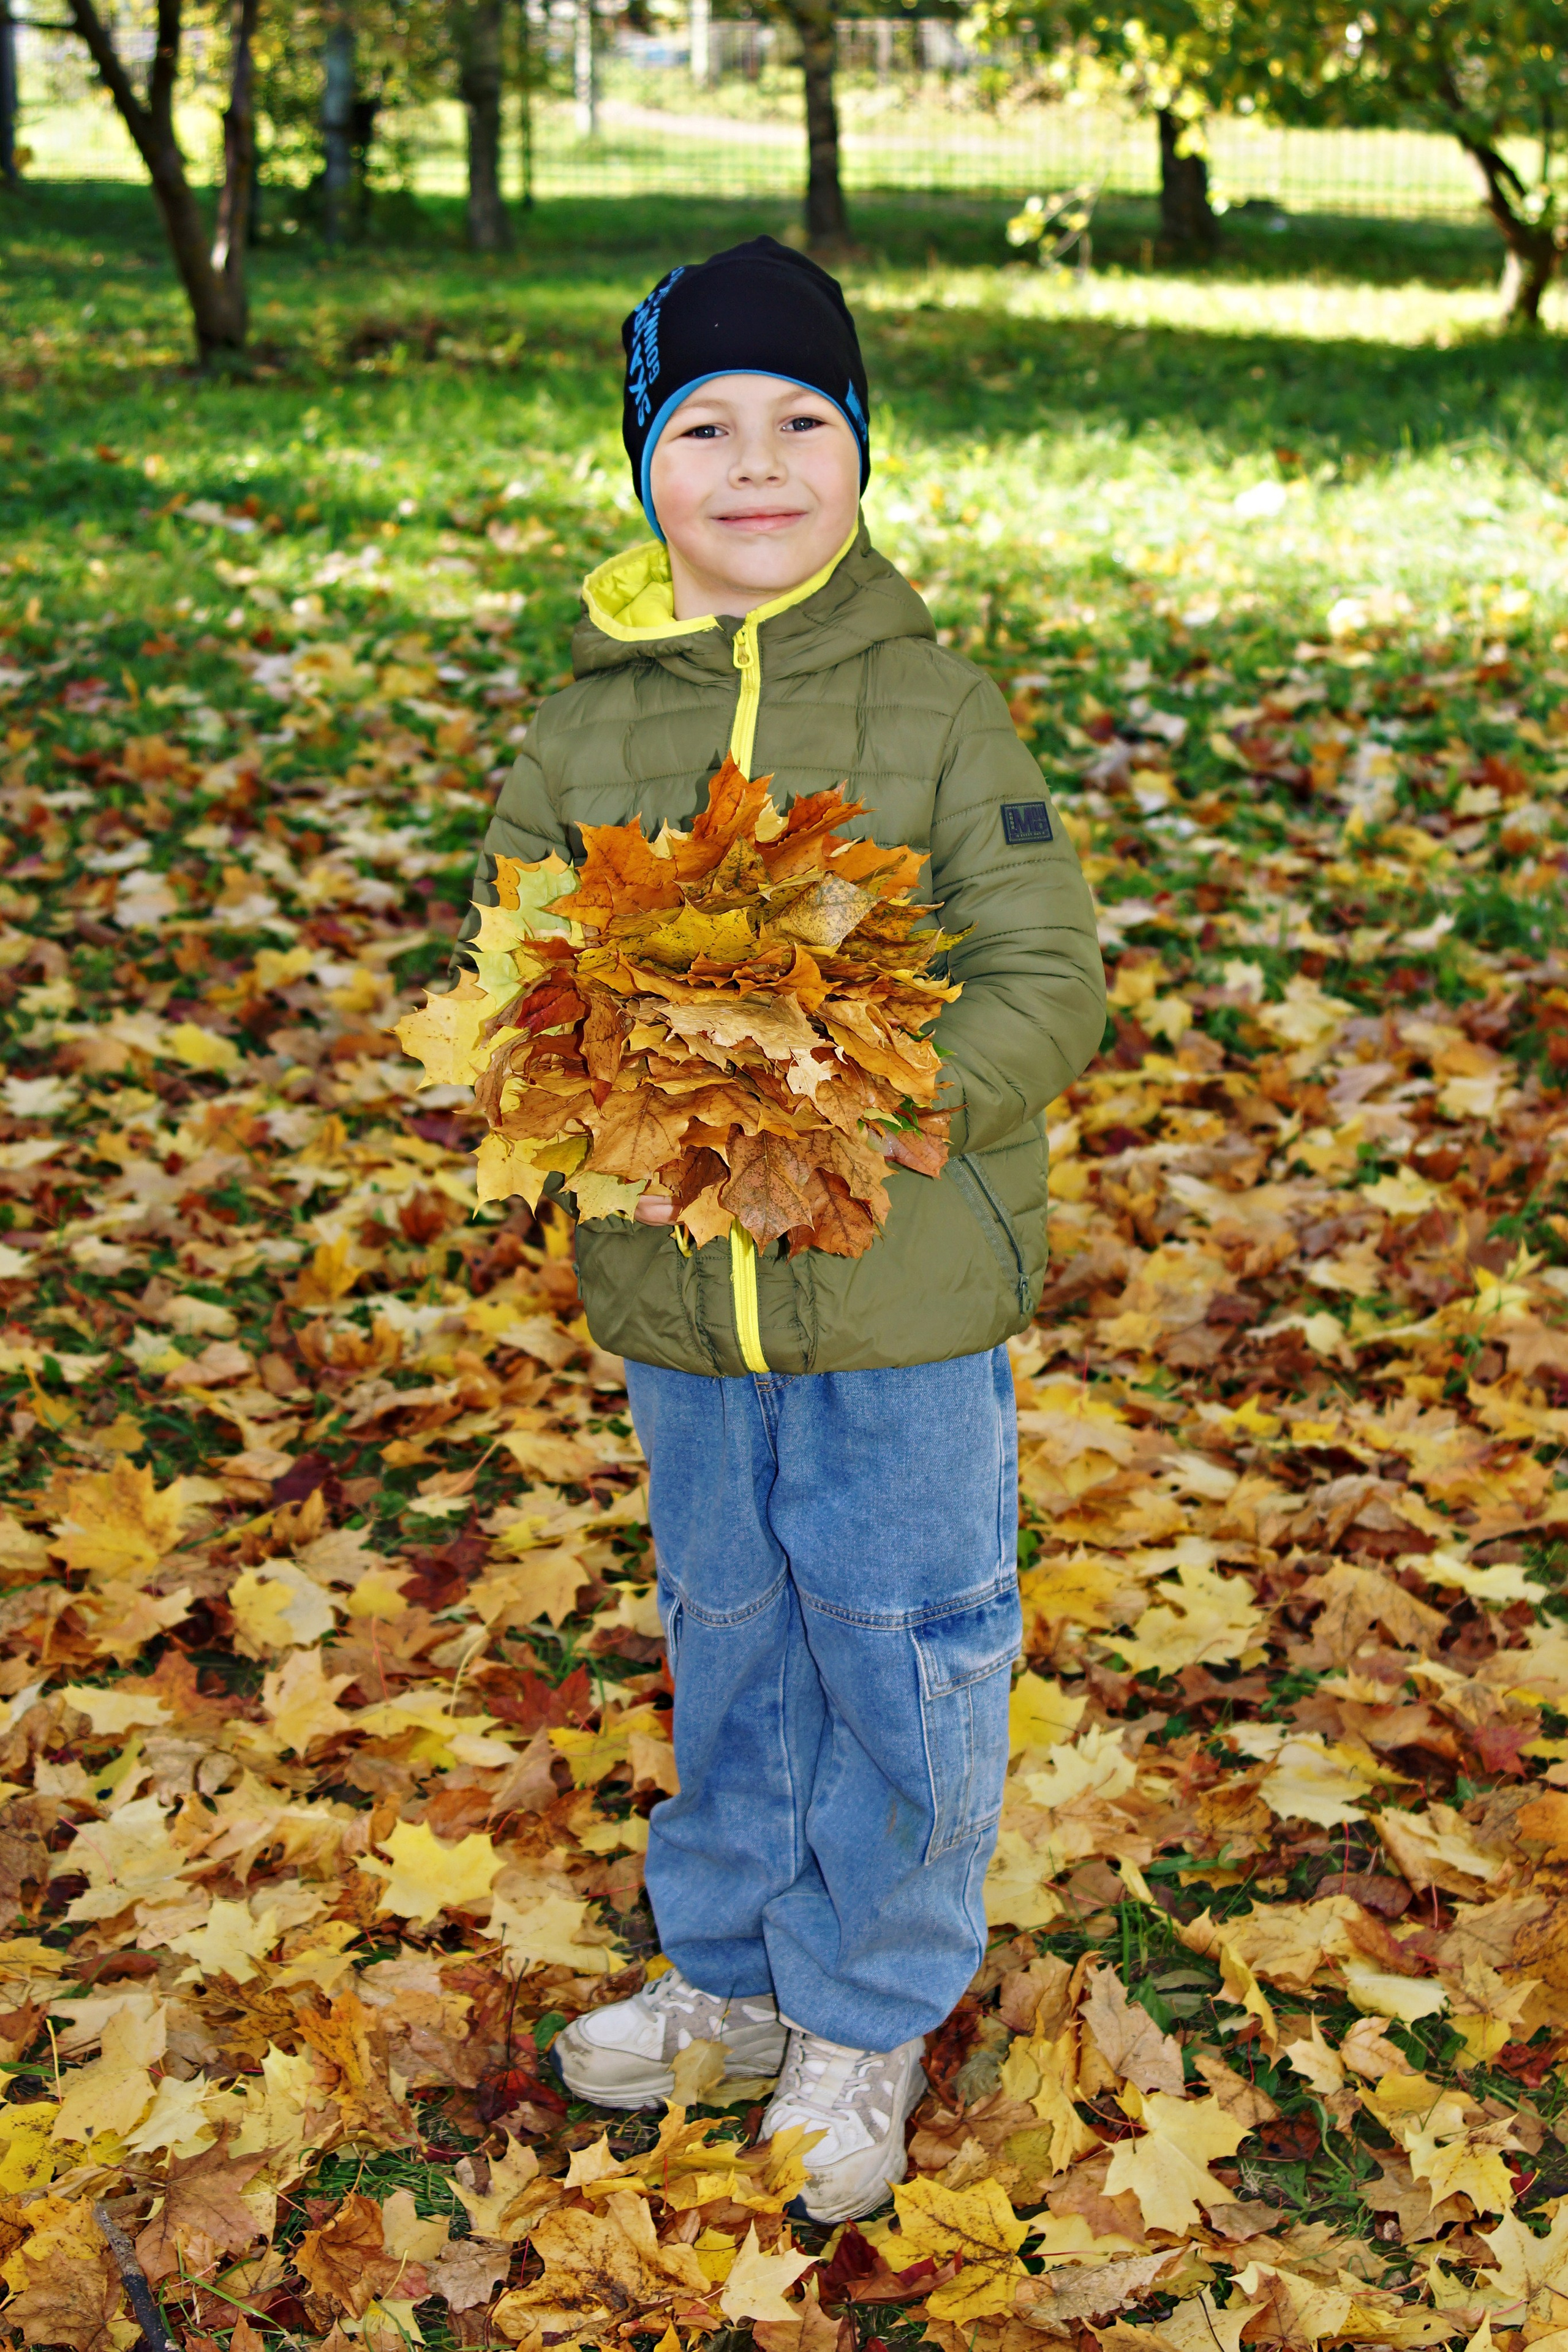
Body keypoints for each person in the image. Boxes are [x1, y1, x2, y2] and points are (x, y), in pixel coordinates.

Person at [466, 237, 1106, 2222]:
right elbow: (514, 988)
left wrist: (892, 1096)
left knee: (907, 1647)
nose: (758, 465)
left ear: (861, 456)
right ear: (645, 466)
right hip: (683, 1299)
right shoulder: (583, 737)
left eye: (803, 423)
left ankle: (868, 2003)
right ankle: (733, 1968)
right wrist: (589, 1076)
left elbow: (1047, 972)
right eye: (706, 426)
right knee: (730, 1634)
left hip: (896, 1290)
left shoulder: (929, 708)